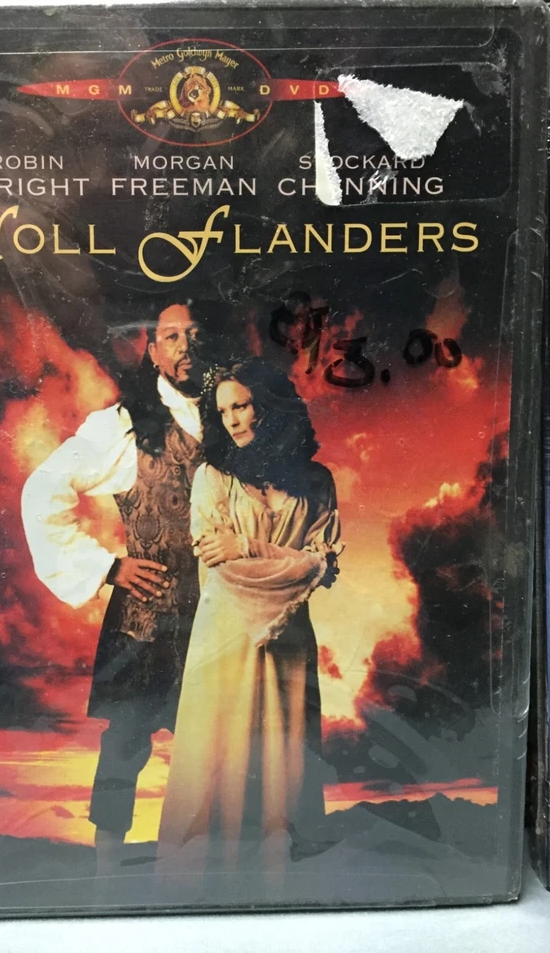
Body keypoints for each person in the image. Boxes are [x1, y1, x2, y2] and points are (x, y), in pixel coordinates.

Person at [21, 301, 206, 873]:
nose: (185, 346)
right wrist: (107, 567)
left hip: (217, 617)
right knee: (125, 741)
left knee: (218, 744)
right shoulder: (122, 424)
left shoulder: (233, 413)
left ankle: (204, 864)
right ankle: (107, 873)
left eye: (195, 334)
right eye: (172, 336)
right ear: (153, 349)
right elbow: (43, 489)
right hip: (146, 616)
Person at [156, 357, 341, 871]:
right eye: (223, 412)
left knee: (287, 758)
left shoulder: (317, 481)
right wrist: (295, 562)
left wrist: (248, 546)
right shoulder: (213, 478)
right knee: (218, 758)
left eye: (242, 405)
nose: (233, 420)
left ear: (271, 405)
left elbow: (325, 568)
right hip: (226, 637)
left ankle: (279, 878)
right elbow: (228, 570)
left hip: (289, 642)